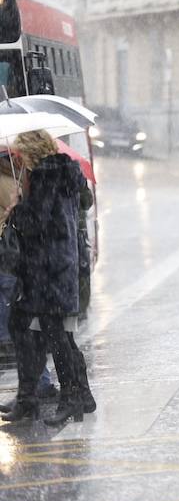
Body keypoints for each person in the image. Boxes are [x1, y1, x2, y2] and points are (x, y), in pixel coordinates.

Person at [1, 130, 93, 426]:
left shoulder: (44, 176)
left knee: (55, 336)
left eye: (21, 153)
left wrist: (16, 210)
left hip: (48, 269)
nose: (19, 159)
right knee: (31, 331)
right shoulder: (61, 171)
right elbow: (80, 203)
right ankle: (31, 398)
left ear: (31, 151)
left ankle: (70, 398)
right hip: (52, 267)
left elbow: (35, 222)